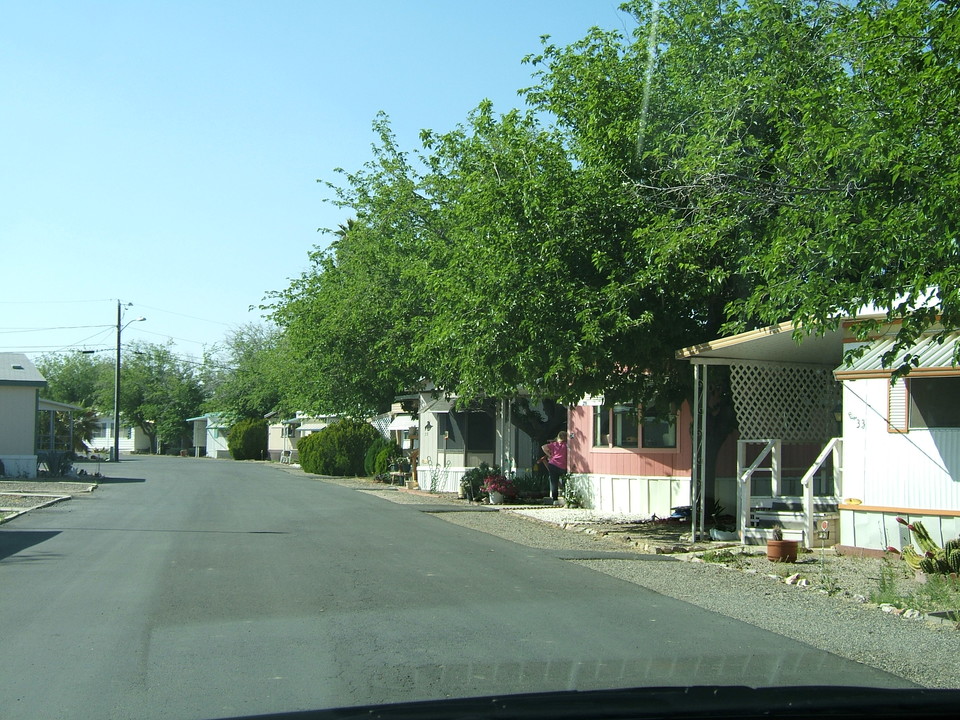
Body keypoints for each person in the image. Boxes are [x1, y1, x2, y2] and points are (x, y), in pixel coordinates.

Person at [541, 431, 568, 503]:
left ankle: (555, 500)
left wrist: (549, 455)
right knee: (565, 481)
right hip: (563, 465)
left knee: (554, 482)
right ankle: (566, 496)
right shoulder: (566, 445)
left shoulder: (554, 444)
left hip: (552, 464)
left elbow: (543, 447)